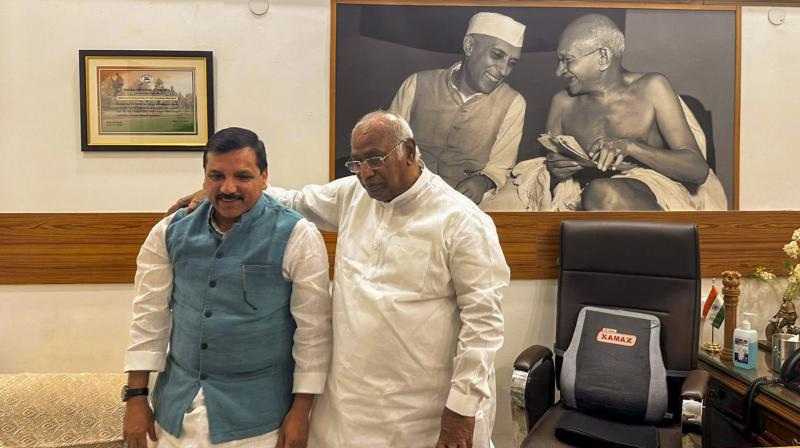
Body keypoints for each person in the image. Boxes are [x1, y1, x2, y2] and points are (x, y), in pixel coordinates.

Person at [171, 111, 510, 447]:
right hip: (348, 406)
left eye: (375, 159)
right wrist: (228, 192)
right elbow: (294, 201)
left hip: (423, 412)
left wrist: (462, 410)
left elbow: (484, 325)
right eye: (356, 163)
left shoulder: (463, 221)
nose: (365, 173)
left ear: (409, 150)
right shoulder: (353, 195)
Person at [123, 127, 331, 448]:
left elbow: (313, 333)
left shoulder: (297, 235)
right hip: (175, 414)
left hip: (259, 422)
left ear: (264, 177)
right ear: (204, 178)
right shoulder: (169, 232)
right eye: (216, 176)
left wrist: (301, 411)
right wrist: (136, 397)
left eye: (243, 176)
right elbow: (148, 319)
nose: (228, 188)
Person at [482, 13, 727, 212]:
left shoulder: (652, 87)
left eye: (567, 60)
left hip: (650, 195)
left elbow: (697, 170)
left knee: (602, 193)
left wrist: (630, 147)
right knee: (494, 205)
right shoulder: (562, 102)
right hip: (578, 197)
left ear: (603, 57)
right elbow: (550, 175)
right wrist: (555, 171)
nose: (559, 72)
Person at [389, 12, 526, 206]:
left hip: (469, 201)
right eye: (497, 55)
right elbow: (389, 143)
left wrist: (483, 181)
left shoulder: (513, 102)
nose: (504, 70)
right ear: (469, 46)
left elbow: (501, 165)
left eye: (512, 63)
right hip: (409, 190)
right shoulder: (417, 83)